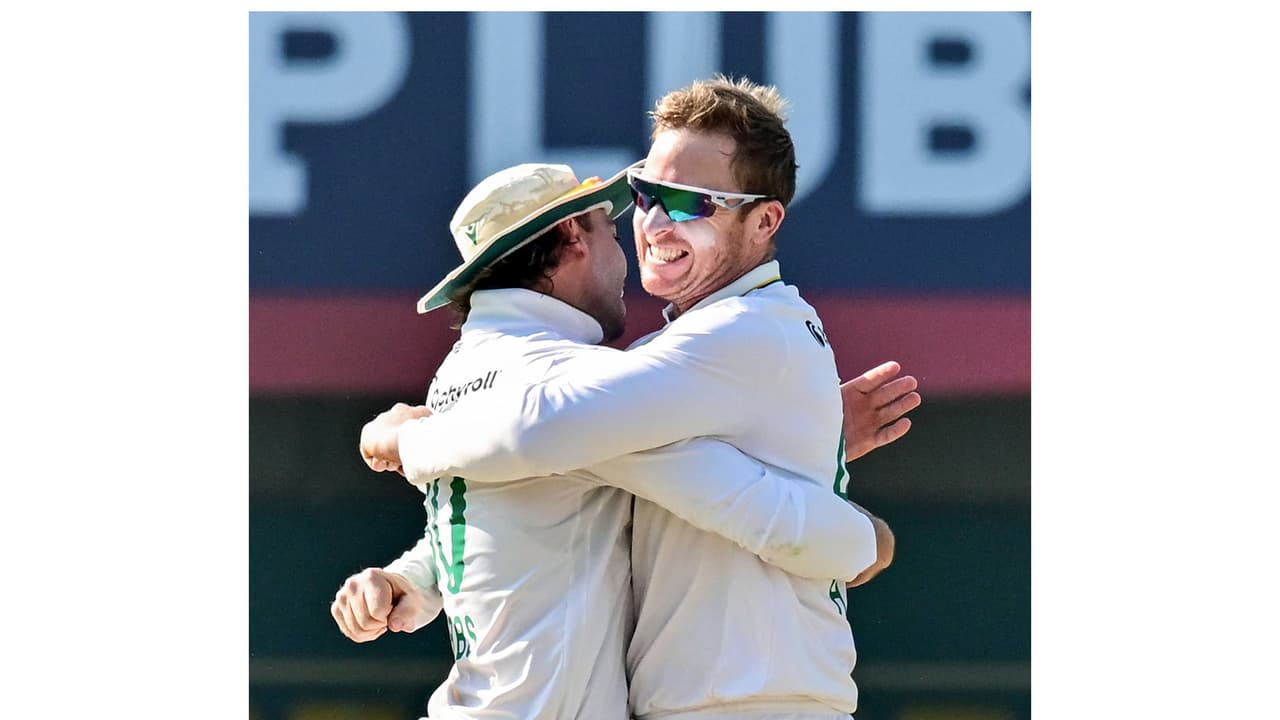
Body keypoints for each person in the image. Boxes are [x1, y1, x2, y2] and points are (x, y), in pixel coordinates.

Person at [360, 76, 920, 720]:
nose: (651, 223)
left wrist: (406, 440)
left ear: (765, 220)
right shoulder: (686, 346)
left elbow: (550, 434)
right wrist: (840, 487)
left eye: (689, 203)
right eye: (645, 194)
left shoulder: (735, 332)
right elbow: (564, 455)